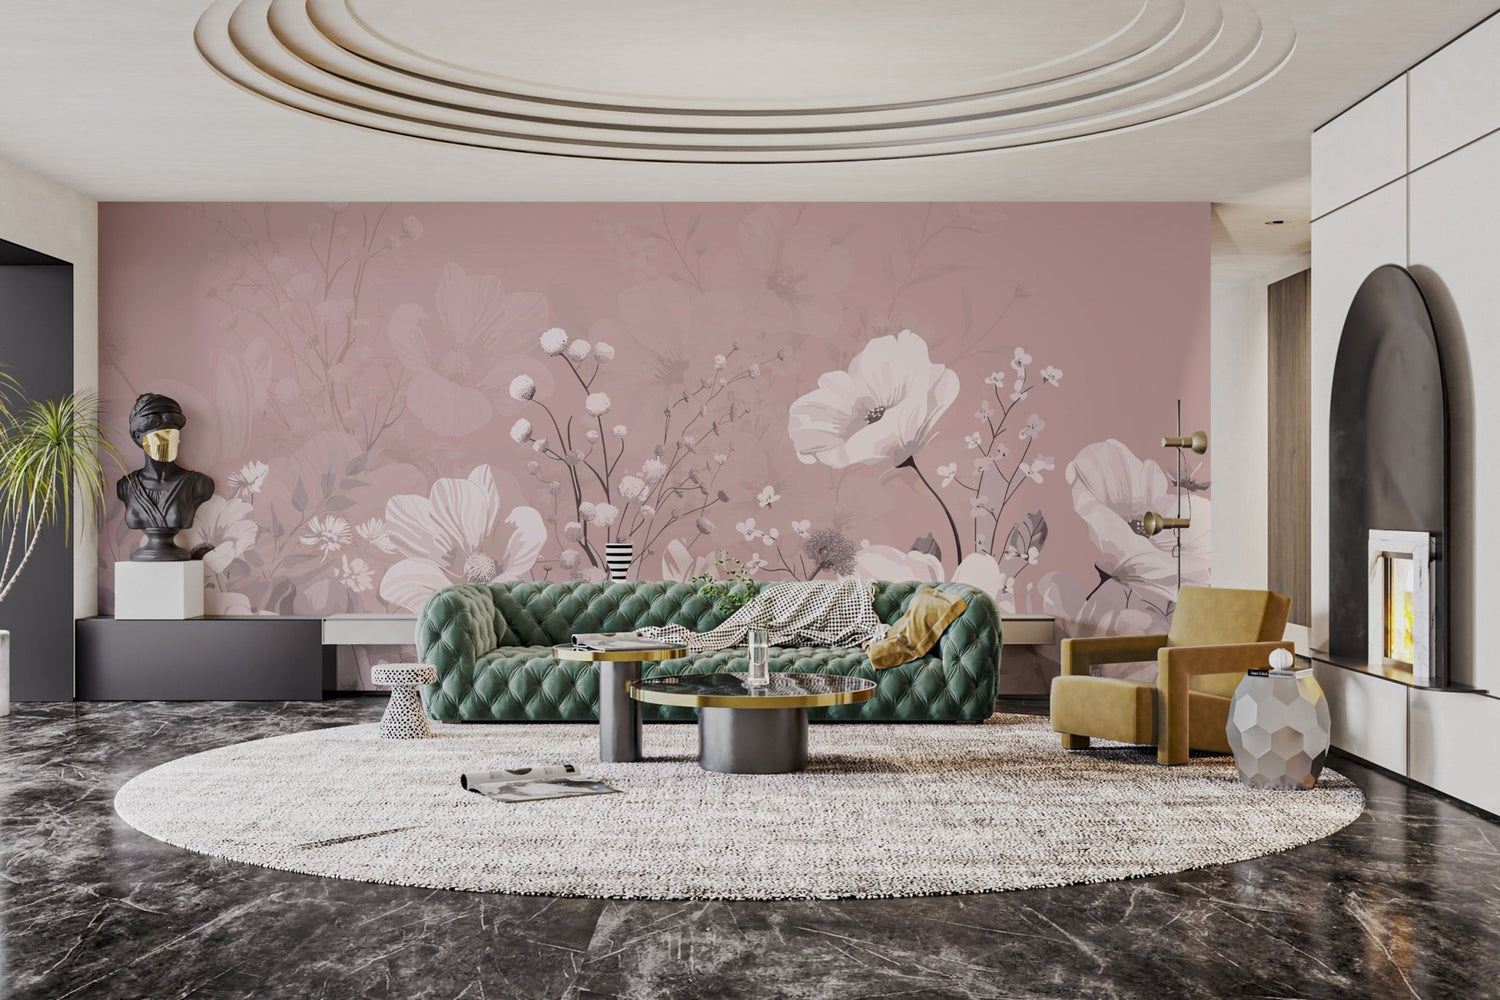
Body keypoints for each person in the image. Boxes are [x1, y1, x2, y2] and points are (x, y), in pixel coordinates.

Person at [116, 393, 215, 561]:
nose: (166, 442)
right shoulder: (126, 486)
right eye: (158, 436)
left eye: (172, 434)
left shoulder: (199, 485)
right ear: (137, 437)